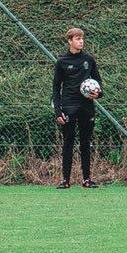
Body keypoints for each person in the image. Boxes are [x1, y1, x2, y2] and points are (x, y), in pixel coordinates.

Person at [51, 26, 103, 188]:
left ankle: (86, 180)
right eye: (78, 39)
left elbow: (98, 82)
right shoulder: (62, 62)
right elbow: (55, 88)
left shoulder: (89, 59)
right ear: (70, 41)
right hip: (68, 106)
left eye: (82, 39)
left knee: (85, 142)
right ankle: (65, 180)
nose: (81, 41)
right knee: (68, 142)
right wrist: (58, 110)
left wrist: (98, 94)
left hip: (86, 106)